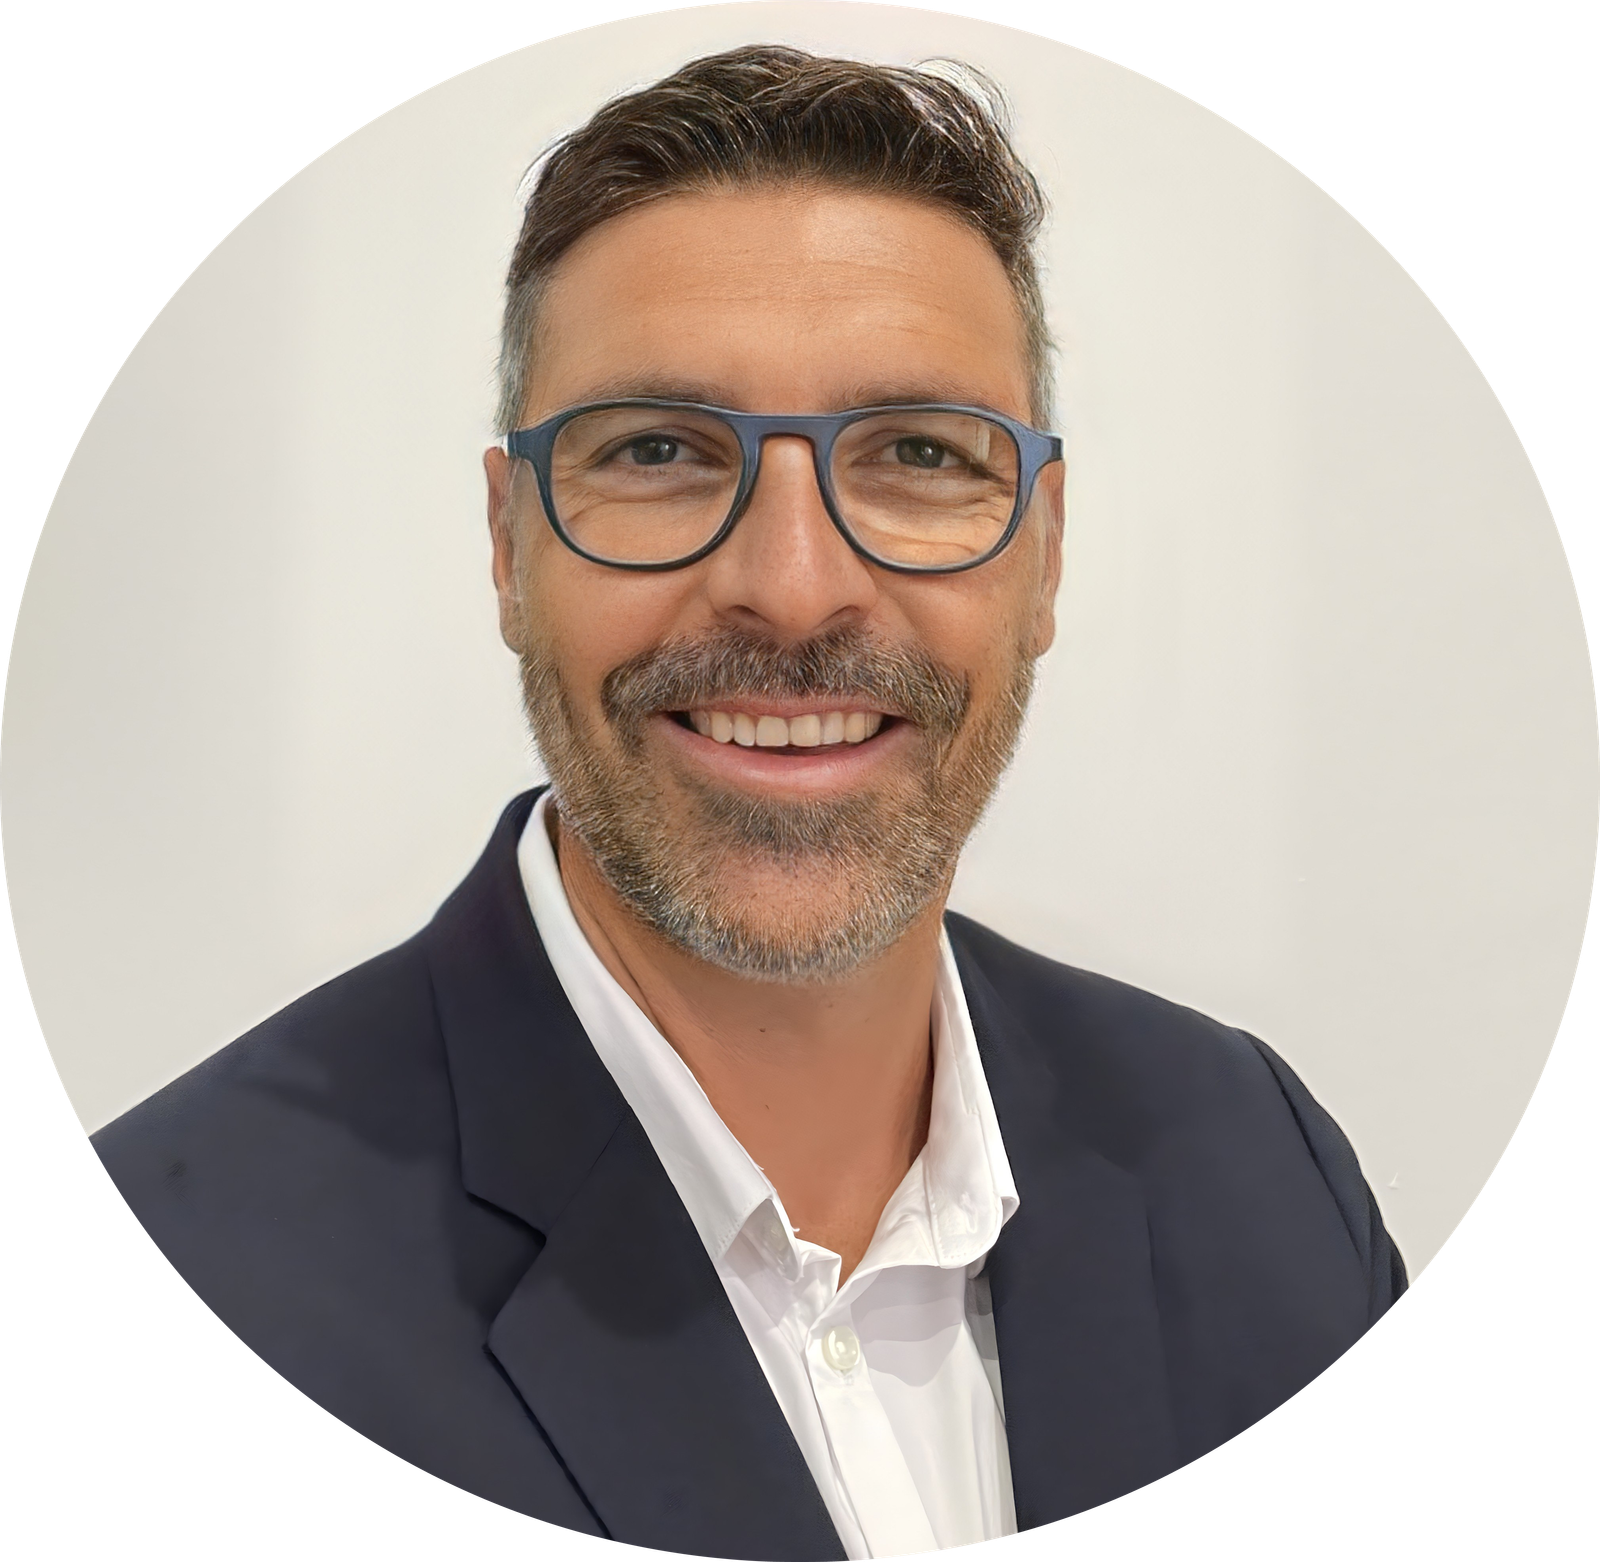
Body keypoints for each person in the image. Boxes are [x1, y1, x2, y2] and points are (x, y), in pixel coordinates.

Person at [90, 46, 1404, 1558]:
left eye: (918, 454)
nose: (791, 586)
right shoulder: (206, 1257)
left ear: (1043, 555)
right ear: (509, 547)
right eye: (658, 451)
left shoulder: (1263, 1171)